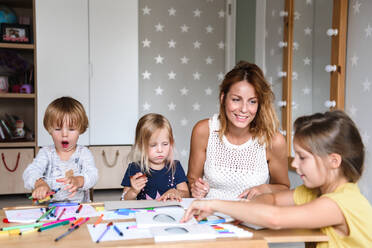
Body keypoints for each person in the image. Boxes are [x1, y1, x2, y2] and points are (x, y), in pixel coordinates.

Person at [182, 110, 372, 247]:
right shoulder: (314, 193)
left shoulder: (340, 203)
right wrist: (252, 207)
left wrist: (214, 204)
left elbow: (275, 218)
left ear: (333, 161)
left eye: (302, 158)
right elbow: (271, 200)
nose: (295, 164)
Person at [187, 61, 289, 200]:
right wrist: (195, 188)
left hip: (251, 218)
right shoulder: (204, 131)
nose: (244, 109)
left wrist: (265, 188)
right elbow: (192, 180)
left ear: (259, 104)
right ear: (223, 98)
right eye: (236, 99)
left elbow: (283, 187)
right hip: (209, 217)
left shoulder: (273, 140)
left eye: (252, 101)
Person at [23, 96, 98, 202]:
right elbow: (30, 172)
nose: (64, 134)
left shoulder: (83, 153)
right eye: (58, 129)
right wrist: (40, 184)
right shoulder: (46, 153)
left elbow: (93, 175)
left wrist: (79, 180)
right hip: (49, 210)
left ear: (80, 129)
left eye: (71, 129)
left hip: (79, 210)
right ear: (49, 129)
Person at [121, 113, 190, 201]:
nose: (160, 150)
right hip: (144, 214)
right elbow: (123, 200)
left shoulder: (175, 166)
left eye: (165, 144)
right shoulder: (134, 168)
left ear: (171, 143)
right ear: (141, 145)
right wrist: (133, 191)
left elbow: (186, 194)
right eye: (153, 145)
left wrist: (176, 192)